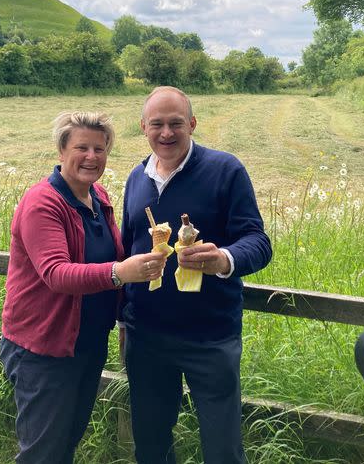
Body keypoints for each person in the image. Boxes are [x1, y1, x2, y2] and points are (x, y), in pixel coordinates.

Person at [0, 111, 167, 464]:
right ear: (61, 151)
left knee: (67, 440)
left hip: (86, 343)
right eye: (81, 147)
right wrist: (120, 273)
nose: (91, 157)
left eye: (100, 148)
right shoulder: (43, 203)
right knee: (42, 452)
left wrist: (123, 316)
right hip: (44, 348)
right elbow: (57, 273)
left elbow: (111, 253)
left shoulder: (98, 196)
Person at [120, 87, 273, 463]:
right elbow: (127, 249)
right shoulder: (136, 179)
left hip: (210, 336)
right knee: (151, 443)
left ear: (192, 124)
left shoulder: (225, 170)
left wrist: (223, 259)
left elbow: (257, 240)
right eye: (157, 124)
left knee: (222, 448)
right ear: (143, 127)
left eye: (176, 123)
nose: (166, 133)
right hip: (147, 336)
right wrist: (125, 318)